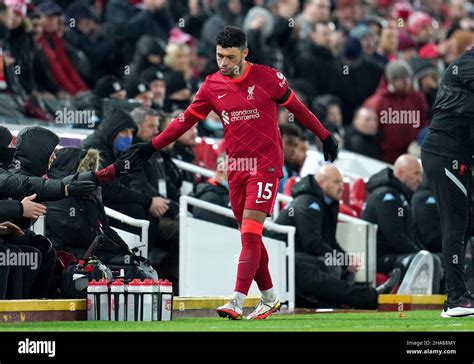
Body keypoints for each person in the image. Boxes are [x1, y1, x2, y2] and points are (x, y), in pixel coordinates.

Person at [130, 26, 338, 320]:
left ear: (244, 53)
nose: (223, 63)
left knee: (251, 234)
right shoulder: (212, 86)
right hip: (236, 169)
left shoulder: (268, 78)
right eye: (219, 56)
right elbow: (183, 122)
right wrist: (152, 145)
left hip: (265, 167)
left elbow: (299, 109)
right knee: (248, 236)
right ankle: (269, 297)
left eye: (230, 57)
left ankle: (237, 301)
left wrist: (324, 135)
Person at [273, 165, 400, 309]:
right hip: (280, 260)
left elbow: (330, 241)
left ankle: (340, 306)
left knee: (339, 267)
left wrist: (346, 259)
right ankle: (369, 297)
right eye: (336, 182)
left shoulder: (327, 204)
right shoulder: (308, 202)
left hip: (296, 256)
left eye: (342, 182)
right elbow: (312, 243)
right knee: (321, 266)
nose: (342, 187)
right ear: (321, 183)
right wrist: (343, 260)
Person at [421, 47, 474, 318]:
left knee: (468, 222)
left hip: (455, 153)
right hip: (445, 153)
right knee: (456, 222)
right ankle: (455, 299)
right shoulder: (467, 62)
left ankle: (460, 292)